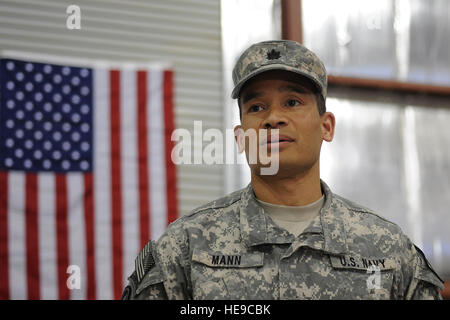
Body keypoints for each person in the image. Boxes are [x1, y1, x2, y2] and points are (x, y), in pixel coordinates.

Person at [121, 40, 444, 300]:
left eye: (292, 102)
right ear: (240, 137)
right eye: (256, 107)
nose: (273, 118)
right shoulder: (187, 245)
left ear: (326, 126)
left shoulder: (387, 248)